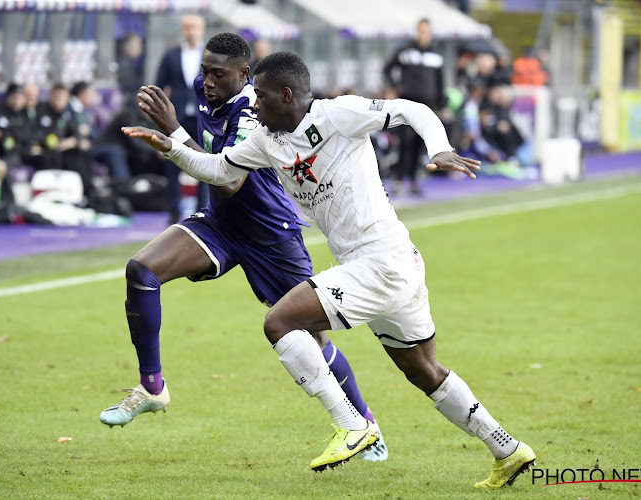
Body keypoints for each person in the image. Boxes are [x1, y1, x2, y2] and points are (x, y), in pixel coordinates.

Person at [123, 51, 535, 488]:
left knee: (280, 321)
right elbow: (218, 169)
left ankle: (352, 423)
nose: (254, 106)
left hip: (384, 261)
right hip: (383, 266)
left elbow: (413, 110)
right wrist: (170, 147)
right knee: (424, 372)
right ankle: (507, 449)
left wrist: (441, 149)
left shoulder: (340, 114)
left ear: (286, 94)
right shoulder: (266, 139)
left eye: (260, 97)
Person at [101, 34, 388, 462]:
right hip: (222, 224)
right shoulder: (204, 92)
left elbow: (230, 177)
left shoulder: (253, 110)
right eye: (204, 71)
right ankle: (151, 387)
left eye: (219, 74)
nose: (208, 81)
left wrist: (174, 132)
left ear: (244, 75)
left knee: (311, 336)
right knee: (141, 271)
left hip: (272, 236)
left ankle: (364, 423)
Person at [383, 18, 448, 195]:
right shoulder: (405, 51)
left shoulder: (436, 55)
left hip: (427, 106)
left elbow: (440, 81)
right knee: (403, 142)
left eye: (426, 31)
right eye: (421, 30)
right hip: (407, 105)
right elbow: (387, 69)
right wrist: (394, 87)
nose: (423, 34)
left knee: (419, 145)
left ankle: (412, 180)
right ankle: (398, 180)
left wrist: (441, 102)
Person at [155, 14, 208, 222]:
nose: (191, 31)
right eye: (187, 27)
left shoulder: (210, 56)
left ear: (202, 30)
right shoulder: (171, 55)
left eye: (194, 27)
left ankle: (202, 209)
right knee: (172, 162)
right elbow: (159, 87)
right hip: (176, 117)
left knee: (204, 160)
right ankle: (174, 210)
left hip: (202, 117)